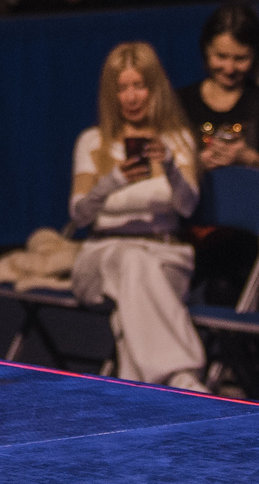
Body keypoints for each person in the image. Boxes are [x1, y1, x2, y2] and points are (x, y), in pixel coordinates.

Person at [69, 43, 205, 389]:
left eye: (139, 86)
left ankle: (139, 393)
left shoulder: (177, 140)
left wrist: (171, 166)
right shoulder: (92, 142)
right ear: (111, 94)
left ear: (155, 88)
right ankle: (183, 377)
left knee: (131, 303)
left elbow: (187, 207)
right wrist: (113, 181)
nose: (131, 97)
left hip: (165, 255)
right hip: (102, 257)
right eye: (122, 88)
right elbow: (79, 215)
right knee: (131, 260)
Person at [177, 4, 259, 183]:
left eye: (241, 58)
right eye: (221, 56)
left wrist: (250, 159)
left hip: (254, 197)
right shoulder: (181, 101)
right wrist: (196, 165)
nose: (229, 69)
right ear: (206, 51)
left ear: (256, 56)